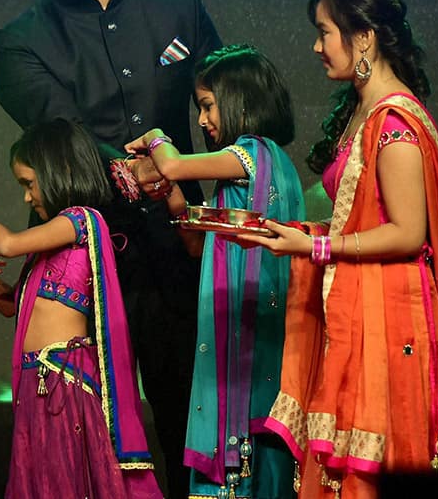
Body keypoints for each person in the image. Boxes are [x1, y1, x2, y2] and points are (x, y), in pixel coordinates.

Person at [0, 0, 222, 495]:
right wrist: (142, 168)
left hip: (183, 244)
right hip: (85, 259)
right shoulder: (17, 42)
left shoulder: (179, 6)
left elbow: (223, 107)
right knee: (90, 428)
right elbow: (65, 133)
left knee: (192, 415)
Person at [240, 0, 438, 497]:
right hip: (362, 313)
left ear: (363, 37)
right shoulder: (361, 111)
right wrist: (293, 233)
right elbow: (356, 222)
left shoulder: (394, 121)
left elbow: (408, 234)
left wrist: (315, 246)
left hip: (389, 321)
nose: (317, 46)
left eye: (325, 32)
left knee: (368, 472)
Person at [0, 118, 162, 498]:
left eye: (28, 183)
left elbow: (6, 244)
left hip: (63, 384)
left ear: (63, 170)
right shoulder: (48, 246)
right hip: (37, 383)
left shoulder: (81, 220)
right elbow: (12, 306)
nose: (26, 197)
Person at [125, 45, 305, 498]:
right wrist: (169, 194)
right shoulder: (254, 168)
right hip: (243, 323)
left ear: (241, 100)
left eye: (207, 106)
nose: (203, 120)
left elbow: (173, 162)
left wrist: (155, 136)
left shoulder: (252, 153)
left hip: (252, 332)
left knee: (247, 433)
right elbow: (198, 244)